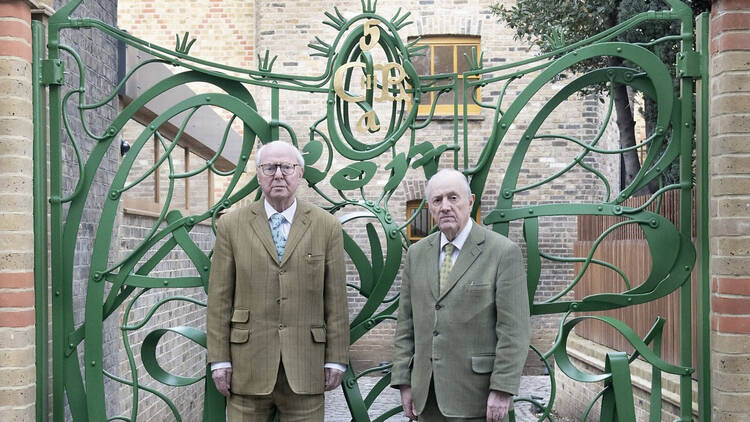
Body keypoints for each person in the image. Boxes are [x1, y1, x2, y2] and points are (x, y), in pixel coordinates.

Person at [206, 141, 349, 421]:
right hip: (247, 367)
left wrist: (336, 358)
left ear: (300, 173)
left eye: (286, 167)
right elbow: (219, 298)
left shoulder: (326, 226)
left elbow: (336, 300)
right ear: (258, 175)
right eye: (270, 167)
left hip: (306, 366)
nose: (279, 175)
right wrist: (219, 360)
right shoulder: (231, 226)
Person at [391, 169, 531, 422]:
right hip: (428, 397)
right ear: (430, 208)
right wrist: (404, 381)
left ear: (470, 201)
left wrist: (502, 389)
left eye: (453, 198)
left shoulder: (502, 253)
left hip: (477, 399)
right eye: (437, 200)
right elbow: (406, 324)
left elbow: (514, 329)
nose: (445, 206)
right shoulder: (417, 253)